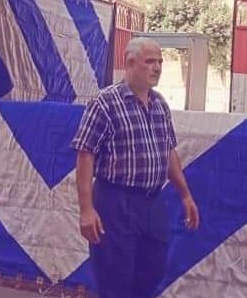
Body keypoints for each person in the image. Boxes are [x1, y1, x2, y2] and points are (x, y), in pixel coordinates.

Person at [71, 37, 200, 298]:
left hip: (152, 204)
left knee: (153, 271)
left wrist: (185, 195)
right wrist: (86, 210)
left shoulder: (160, 105)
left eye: (160, 62)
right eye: (150, 61)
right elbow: (85, 156)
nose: (157, 67)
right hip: (115, 203)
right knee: (115, 280)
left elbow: (168, 152)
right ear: (130, 63)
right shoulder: (105, 103)